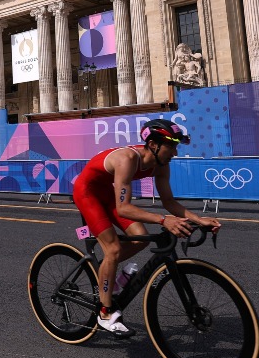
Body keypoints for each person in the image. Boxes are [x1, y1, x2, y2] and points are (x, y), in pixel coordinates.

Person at [73, 118, 221, 337]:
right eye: (172, 146)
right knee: (112, 249)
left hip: (106, 192)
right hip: (87, 193)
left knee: (139, 236)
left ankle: (107, 276)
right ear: (154, 145)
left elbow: (169, 203)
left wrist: (199, 219)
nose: (175, 153)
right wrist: (163, 221)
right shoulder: (128, 158)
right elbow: (124, 208)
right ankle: (105, 313)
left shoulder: (161, 166)